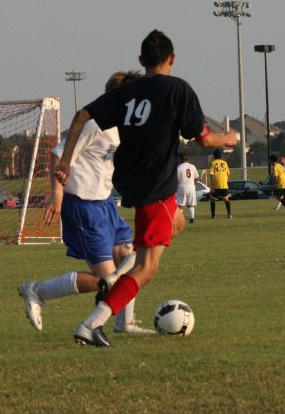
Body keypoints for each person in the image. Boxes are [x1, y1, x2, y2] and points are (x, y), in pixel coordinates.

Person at [55, 30, 238, 347]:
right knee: (146, 268)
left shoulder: (128, 91)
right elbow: (205, 139)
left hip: (134, 183)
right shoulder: (177, 89)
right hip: (156, 185)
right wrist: (229, 139)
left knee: (175, 223)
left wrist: (66, 161)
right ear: (172, 59)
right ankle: (91, 323)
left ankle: (124, 268)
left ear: (141, 61)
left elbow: (82, 114)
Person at [18, 71, 153, 336]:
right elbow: (58, 155)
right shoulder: (95, 125)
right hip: (83, 207)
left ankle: (124, 323)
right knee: (107, 280)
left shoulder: (121, 127)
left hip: (105, 205)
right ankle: (37, 291)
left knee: (130, 259)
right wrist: (57, 194)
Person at [175, 154, 199, 223]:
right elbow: (196, 177)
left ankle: (180, 220)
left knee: (180, 205)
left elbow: (176, 180)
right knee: (191, 205)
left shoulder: (179, 168)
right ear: (187, 159)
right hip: (191, 188)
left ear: (180, 159)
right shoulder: (192, 166)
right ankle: (192, 218)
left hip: (182, 188)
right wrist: (193, 185)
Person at [209, 149, 232, 219]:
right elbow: (228, 174)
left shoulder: (213, 163)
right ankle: (229, 215)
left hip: (216, 185)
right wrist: (225, 180)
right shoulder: (225, 163)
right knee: (226, 199)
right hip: (224, 184)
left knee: (212, 200)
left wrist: (212, 184)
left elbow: (212, 174)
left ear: (214, 156)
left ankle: (213, 216)